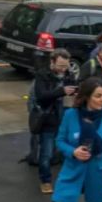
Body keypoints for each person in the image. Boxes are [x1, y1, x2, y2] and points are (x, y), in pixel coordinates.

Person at [33, 49, 78, 193]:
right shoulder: (42, 75)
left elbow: (75, 90)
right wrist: (62, 91)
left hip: (65, 119)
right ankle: (45, 181)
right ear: (52, 62)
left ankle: (67, 178)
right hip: (49, 119)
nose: (63, 69)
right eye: (60, 66)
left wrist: (76, 91)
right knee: (46, 153)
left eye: (66, 66)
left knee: (67, 152)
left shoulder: (68, 75)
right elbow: (41, 96)